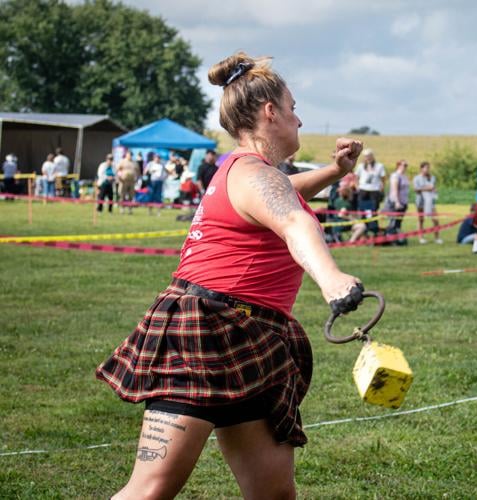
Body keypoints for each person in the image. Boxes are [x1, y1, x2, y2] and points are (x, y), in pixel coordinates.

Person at [95, 52, 365, 499]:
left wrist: (336, 171)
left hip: (249, 337)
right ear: (270, 112)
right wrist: (331, 278)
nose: (299, 120)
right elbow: (293, 221)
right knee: (152, 488)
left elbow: (287, 193)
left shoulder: (251, 174)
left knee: (274, 493)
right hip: (202, 328)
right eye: (293, 108)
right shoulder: (252, 174)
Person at [413, 161, 442, 244]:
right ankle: (421, 237)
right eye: (426, 168)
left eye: (428, 168)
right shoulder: (417, 178)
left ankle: (437, 238)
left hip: (430, 201)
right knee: (421, 220)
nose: (427, 169)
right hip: (420, 201)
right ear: (421, 169)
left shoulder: (432, 178)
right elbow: (416, 190)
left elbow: (433, 187)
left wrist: (434, 190)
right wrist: (426, 188)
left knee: (435, 219)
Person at [385, 159, 409, 238]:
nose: (405, 167)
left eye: (406, 165)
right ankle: (389, 237)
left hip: (403, 202)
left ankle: (396, 238)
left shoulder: (405, 176)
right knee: (393, 221)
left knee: (398, 222)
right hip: (396, 202)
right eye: (403, 165)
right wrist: (397, 202)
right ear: (398, 166)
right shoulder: (395, 176)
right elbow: (395, 190)